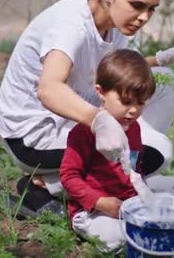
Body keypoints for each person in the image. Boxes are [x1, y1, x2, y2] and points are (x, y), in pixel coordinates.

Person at [0, 0, 174, 216]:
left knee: (165, 82)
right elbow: (49, 89)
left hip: (72, 121)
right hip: (35, 135)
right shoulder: (70, 25)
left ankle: (121, 174)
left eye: (152, 8)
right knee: (158, 150)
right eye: (137, 5)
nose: (144, 17)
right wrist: (99, 121)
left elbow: (116, 73)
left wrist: (164, 58)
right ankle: (44, 186)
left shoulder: (114, 22)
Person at [60, 49, 153, 252]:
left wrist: (141, 197)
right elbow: (68, 176)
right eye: (126, 102)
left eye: (141, 102)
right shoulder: (84, 132)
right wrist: (100, 202)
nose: (134, 110)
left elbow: (134, 168)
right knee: (118, 238)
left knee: (156, 226)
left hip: (125, 206)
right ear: (101, 92)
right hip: (91, 211)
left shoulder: (134, 128)